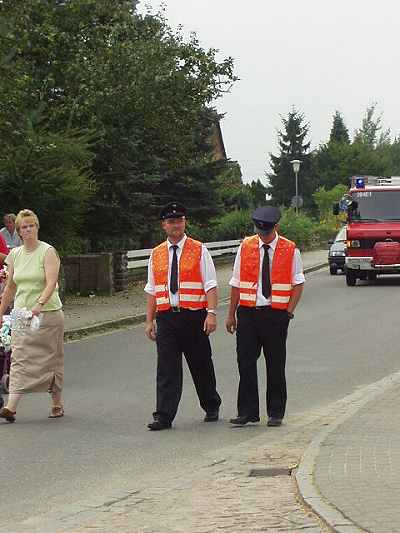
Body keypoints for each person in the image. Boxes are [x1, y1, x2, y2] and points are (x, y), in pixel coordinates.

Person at [144, 202, 221, 430]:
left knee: (201, 364)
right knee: (167, 369)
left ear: (185, 222)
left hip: (194, 316)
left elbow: (211, 284)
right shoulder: (156, 254)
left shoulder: (199, 249)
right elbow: (152, 289)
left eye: (179, 220)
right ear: (164, 225)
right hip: (167, 317)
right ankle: (163, 415)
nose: (175, 225)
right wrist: (149, 320)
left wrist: (212, 313)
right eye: (171, 221)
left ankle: (211, 405)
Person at [226, 206, 304, 427]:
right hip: (248, 313)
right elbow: (236, 282)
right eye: (260, 232)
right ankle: (247, 412)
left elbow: (298, 283)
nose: (263, 237)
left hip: (275, 315)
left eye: (267, 233)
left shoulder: (290, 249)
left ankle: (276, 411)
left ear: (276, 227)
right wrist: (231, 314)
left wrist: (288, 311)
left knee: (275, 363)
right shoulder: (246, 246)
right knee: (245, 362)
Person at [0, 209, 64, 423]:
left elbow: (51, 282)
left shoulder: (48, 252)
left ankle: (56, 403)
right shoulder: (15, 255)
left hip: (47, 314)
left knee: (51, 359)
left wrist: (39, 305)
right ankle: (10, 407)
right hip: (20, 313)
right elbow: (10, 288)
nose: (27, 230)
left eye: (31, 225)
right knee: (18, 357)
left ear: (37, 227)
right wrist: (1, 311)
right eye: (23, 227)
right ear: (18, 232)